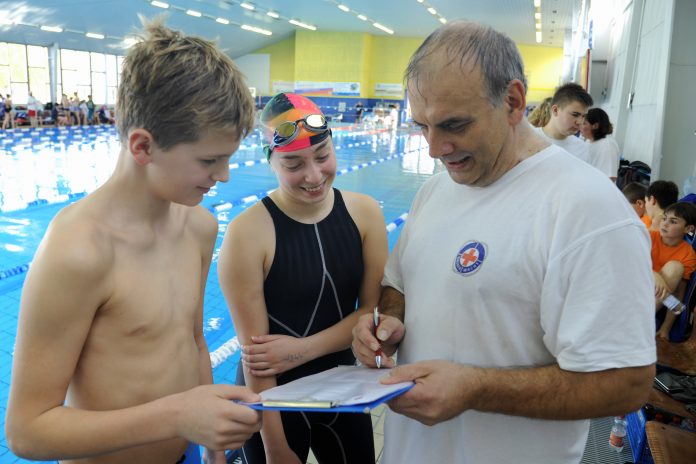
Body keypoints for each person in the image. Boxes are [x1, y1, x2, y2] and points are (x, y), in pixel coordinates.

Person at [351, 20, 655, 464]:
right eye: (422, 126)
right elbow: (399, 284)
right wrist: (387, 325)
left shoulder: (587, 209)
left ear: (513, 101)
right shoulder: (434, 192)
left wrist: (476, 389)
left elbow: (627, 381)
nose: (434, 148)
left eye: (453, 125)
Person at [5, 19, 262, 464]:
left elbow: (193, 340)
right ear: (143, 146)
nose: (223, 176)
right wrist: (178, 416)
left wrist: (212, 445)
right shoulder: (79, 252)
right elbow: (27, 432)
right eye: (209, 160)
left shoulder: (199, 226)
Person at [218, 92, 388, 464]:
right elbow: (258, 359)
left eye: (323, 156)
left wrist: (300, 350)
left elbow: (373, 312)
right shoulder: (246, 234)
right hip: (270, 405)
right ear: (271, 162)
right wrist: (275, 447)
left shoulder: (366, 214)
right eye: (293, 163)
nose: (314, 176)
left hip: (341, 390)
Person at [650, 201, 696, 339]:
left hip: (656, 302)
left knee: (675, 267)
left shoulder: (688, 254)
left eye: (673, 221)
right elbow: (632, 267)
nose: (664, 224)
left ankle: (639, 317)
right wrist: (655, 276)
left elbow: (679, 294)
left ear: (688, 229)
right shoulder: (649, 237)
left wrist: (665, 328)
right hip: (634, 288)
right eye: (664, 218)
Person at [534, 83, 593, 162]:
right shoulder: (528, 139)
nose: (580, 122)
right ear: (555, 110)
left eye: (583, 116)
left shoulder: (581, 149)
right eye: (575, 115)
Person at [581, 108, 621, 181]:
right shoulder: (588, 141)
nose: (580, 127)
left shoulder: (607, 144)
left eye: (584, 123)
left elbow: (610, 177)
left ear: (595, 126)